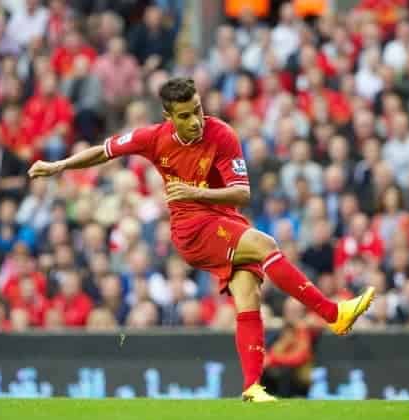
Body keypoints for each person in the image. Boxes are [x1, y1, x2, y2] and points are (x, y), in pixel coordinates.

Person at [27, 77, 375, 402]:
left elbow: (242, 193)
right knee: (266, 245)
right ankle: (333, 313)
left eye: (198, 110)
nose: (195, 120)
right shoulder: (153, 138)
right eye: (185, 115)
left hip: (224, 219)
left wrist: (194, 190)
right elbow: (104, 150)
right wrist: (59, 166)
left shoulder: (221, 134)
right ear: (169, 117)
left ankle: (252, 387)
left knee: (247, 293)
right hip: (191, 229)